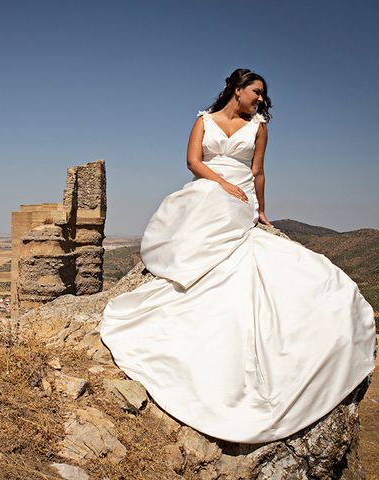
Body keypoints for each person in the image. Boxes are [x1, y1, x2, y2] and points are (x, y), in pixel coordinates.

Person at [99, 68, 377, 444]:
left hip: (241, 195)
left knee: (228, 211)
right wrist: (223, 183)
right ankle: (187, 262)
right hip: (212, 184)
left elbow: (258, 171)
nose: (260, 99)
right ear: (237, 88)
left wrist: (261, 210)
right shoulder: (203, 120)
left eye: (262, 95)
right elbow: (193, 162)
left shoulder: (259, 127)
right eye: (256, 92)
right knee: (206, 201)